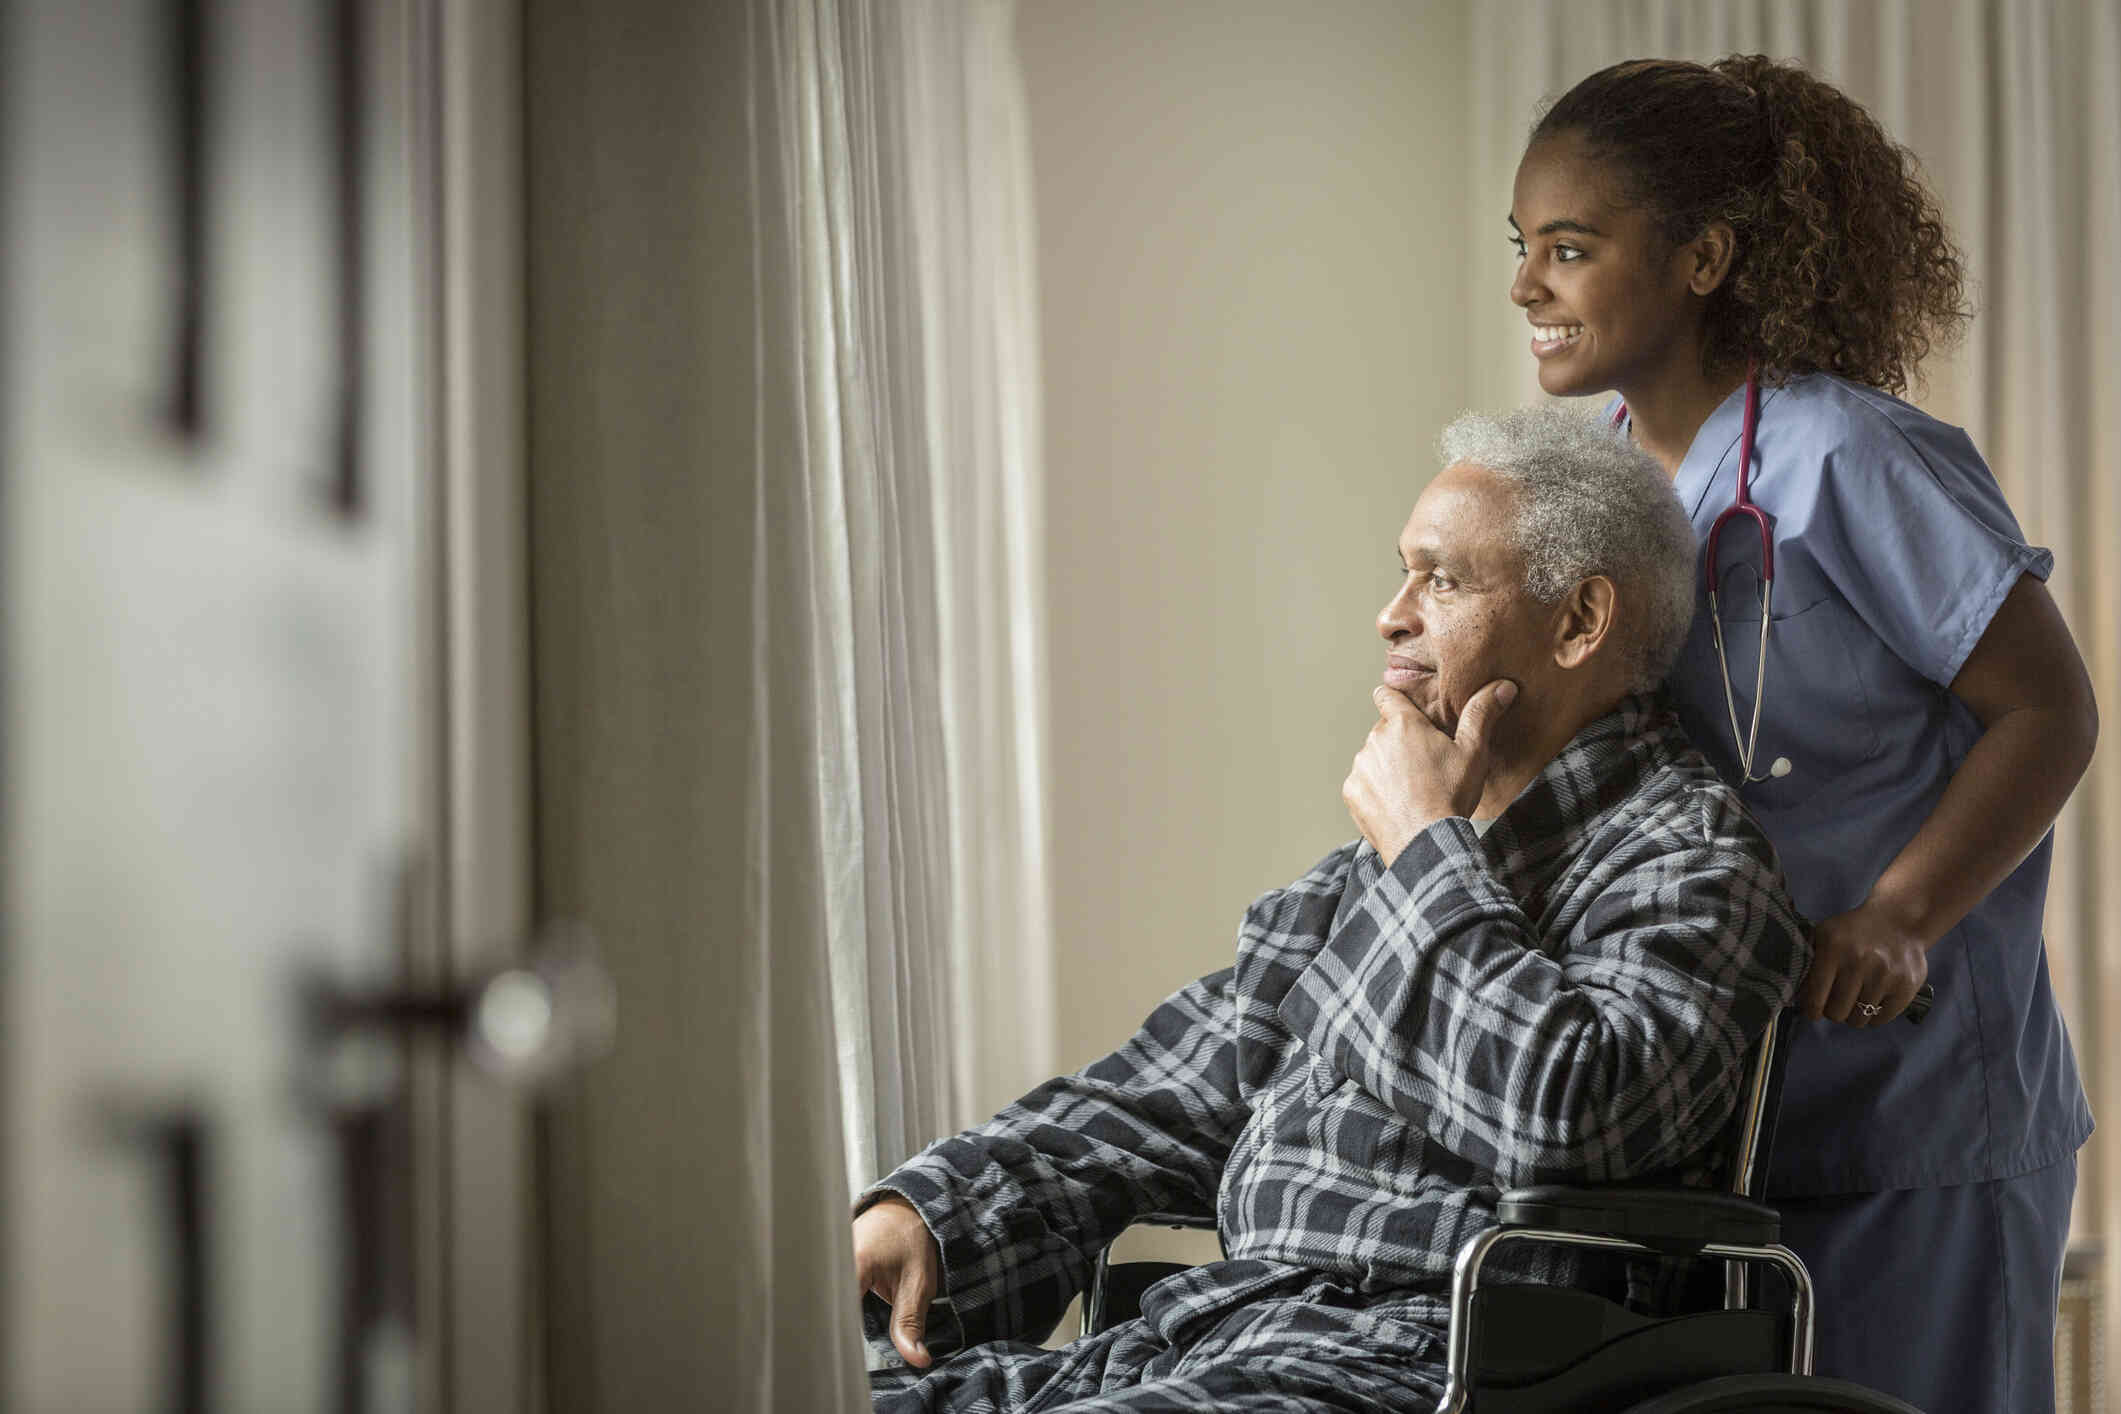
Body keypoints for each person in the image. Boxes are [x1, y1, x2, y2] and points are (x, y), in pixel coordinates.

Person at [852, 406, 1811, 1412]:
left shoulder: (1694, 862)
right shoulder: (1361, 879)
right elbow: (1162, 1097)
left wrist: (1425, 848)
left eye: (1441, 580)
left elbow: (1570, 1107)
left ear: (1579, 621)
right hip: (1211, 1336)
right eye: (1404, 573)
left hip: (1430, 1361)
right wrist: (935, 1210)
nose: (1392, 615)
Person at [1505, 55, 2100, 1413]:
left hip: (1914, 1102)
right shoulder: (1594, 483)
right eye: (1522, 248)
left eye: (1570, 248)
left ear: (1705, 256)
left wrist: (1899, 909)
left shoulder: (1848, 458)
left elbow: (2049, 707)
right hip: (1727, 1114)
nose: (1528, 285)